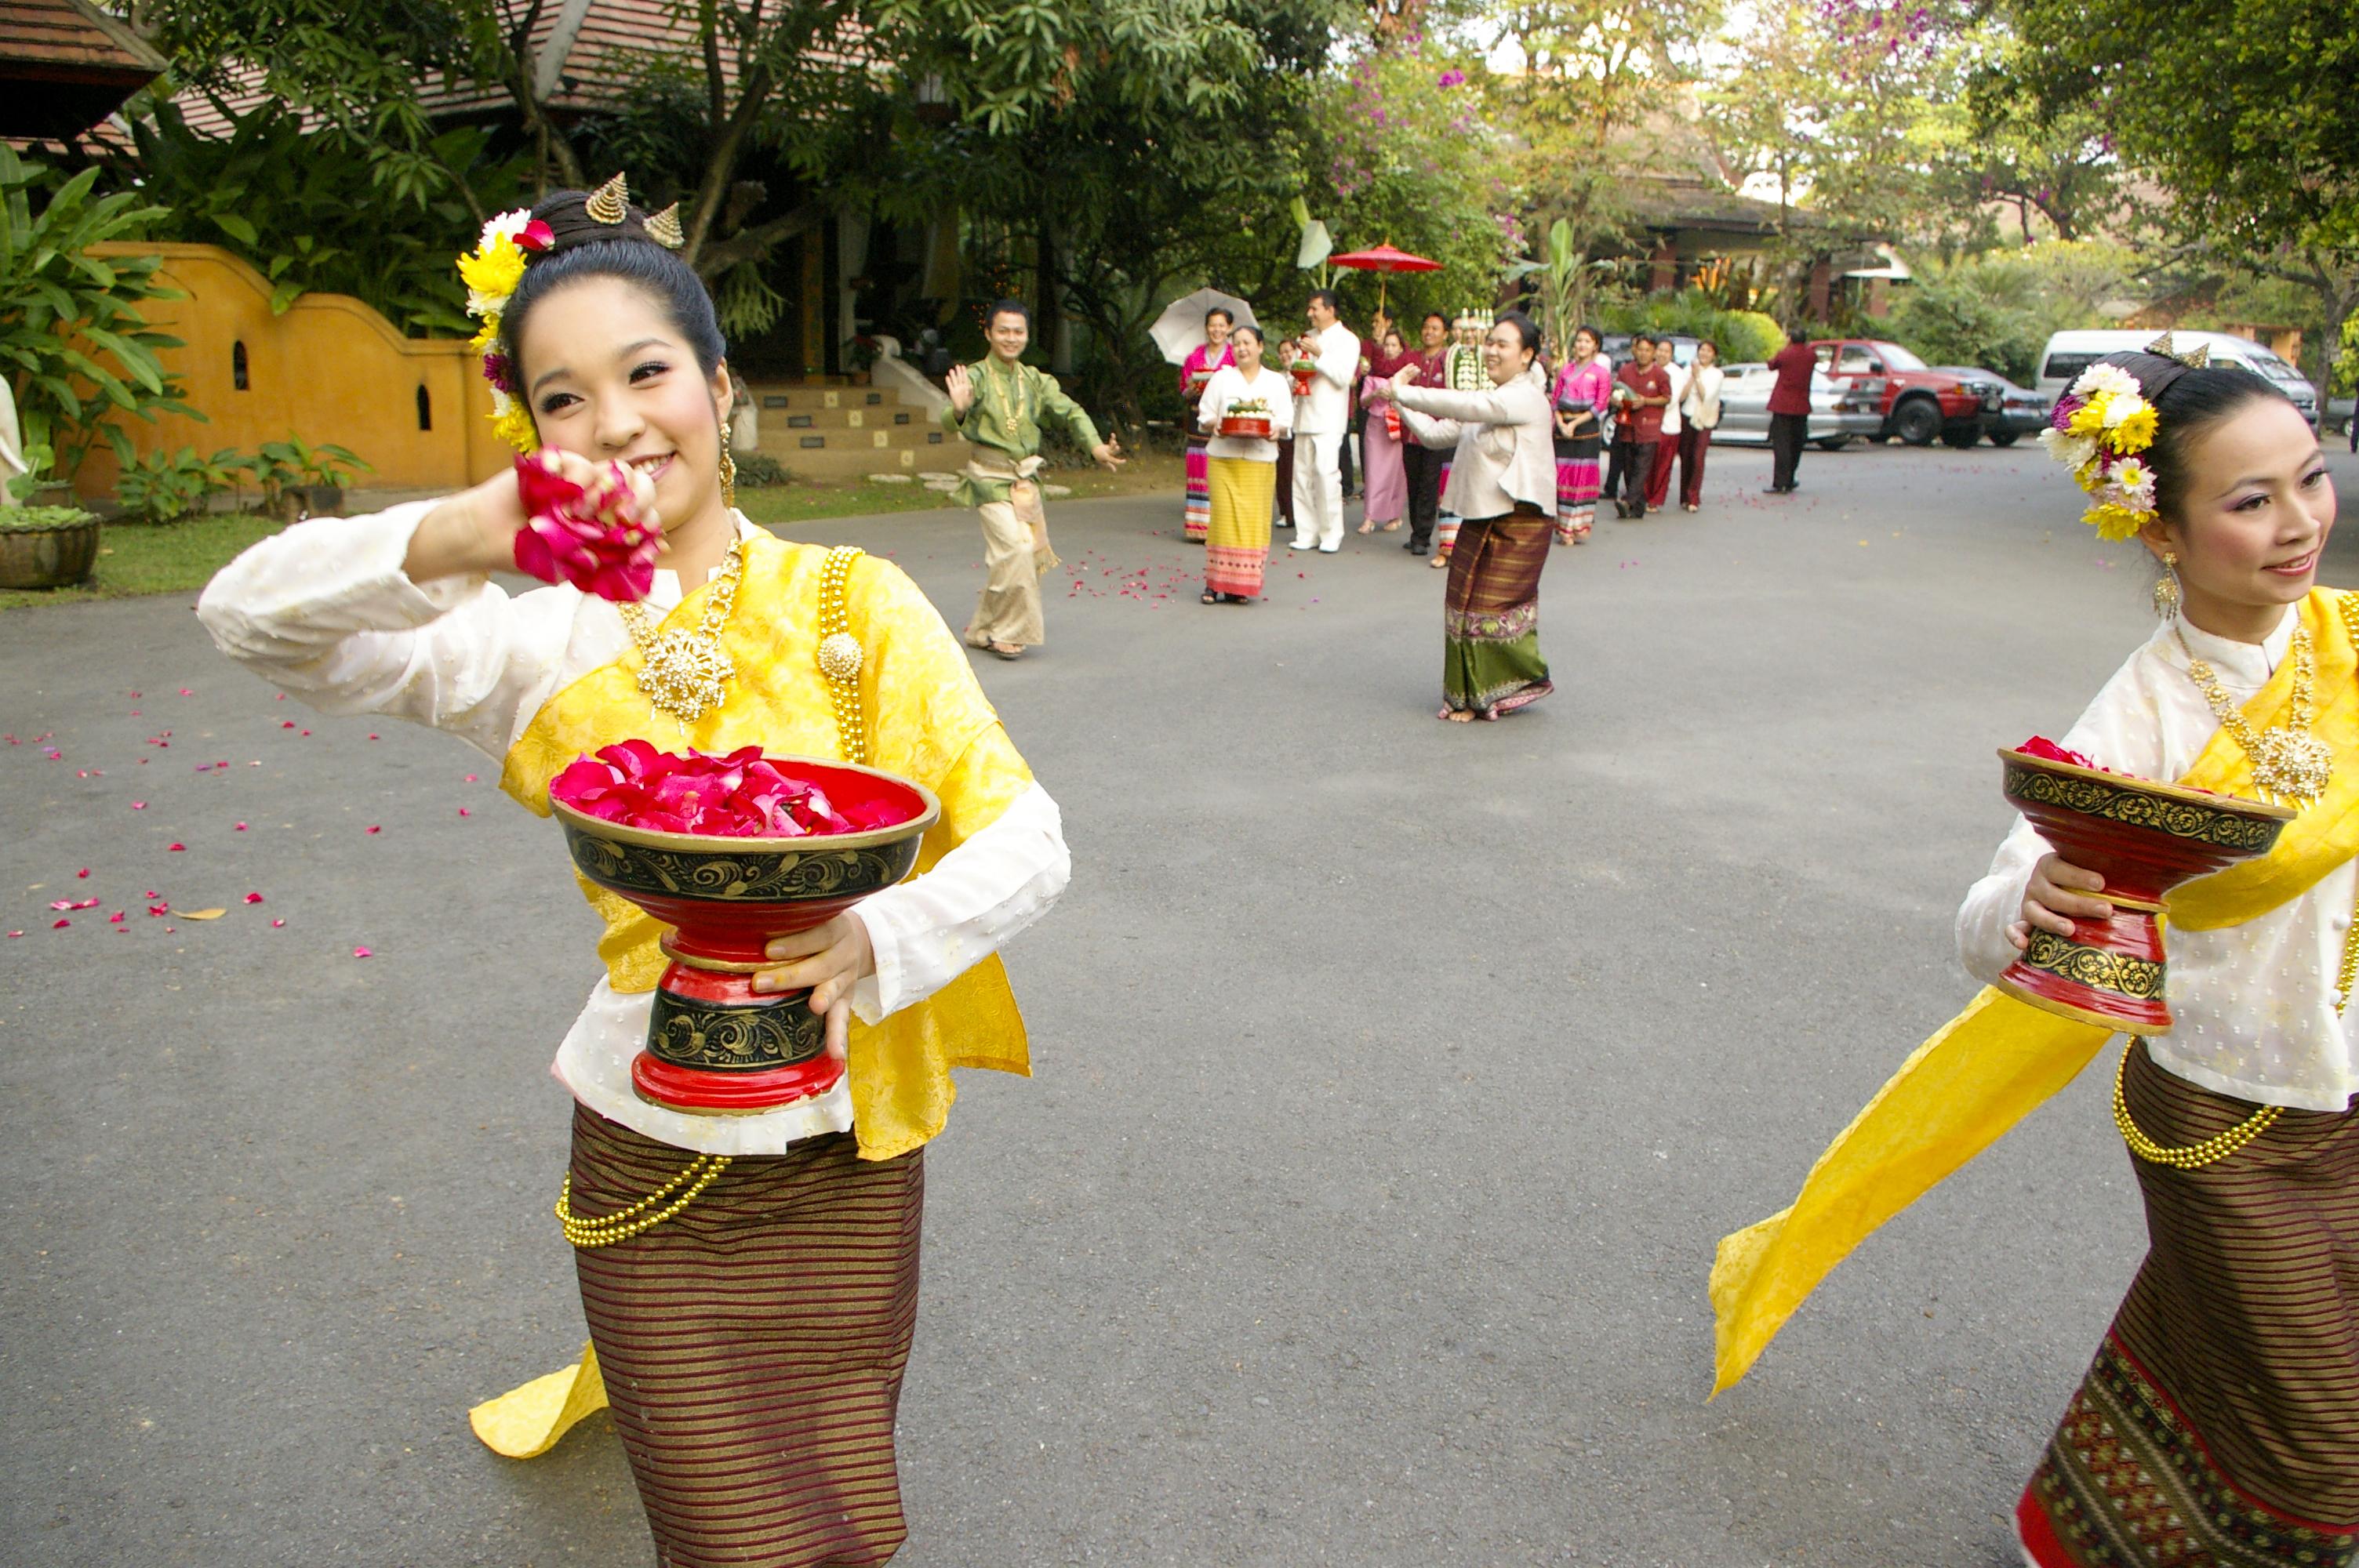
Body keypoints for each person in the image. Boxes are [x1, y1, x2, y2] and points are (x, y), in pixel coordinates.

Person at [194, 180, 1074, 1568]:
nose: (611, 421)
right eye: (561, 398)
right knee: (728, 1540)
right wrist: (460, 540)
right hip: (647, 1161)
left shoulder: (862, 604)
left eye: (644, 372)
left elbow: (1030, 837)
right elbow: (247, 620)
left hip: (849, 1148)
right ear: (530, 436)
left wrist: (880, 940)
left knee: (841, 1522)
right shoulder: (539, 643)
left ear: (718, 390)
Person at [1707, 344, 2357, 1568]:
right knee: (2319, 1432)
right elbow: (1993, 904)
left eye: (2310, 481)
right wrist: (2039, 896)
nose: (2297, 524)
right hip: (2223, 1114)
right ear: (2160, 531)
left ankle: (2081, 1528)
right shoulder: (2149, 710)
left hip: (2351, 1105)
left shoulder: (2353, 650)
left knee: (2226, 1345)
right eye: (2249, 500)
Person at [1389, 312, 1558, 721]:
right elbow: (1433, 435)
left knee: (1490, 608)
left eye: (1503, 345)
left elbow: (1471, 405)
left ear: (1527, 355)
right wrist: (1397, 399)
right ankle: (1464, 696)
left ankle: (1499, 691)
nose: (1492, 351)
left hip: (1521, 520)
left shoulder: (1524, 397)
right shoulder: (1491, 400)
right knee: (1461, 605)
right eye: (1490, 343)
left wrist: (1408, 392)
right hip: (1482, 516)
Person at [940, 299, 1124, 659]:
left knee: (1019, 557)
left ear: (1026, 335)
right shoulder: (976, 377)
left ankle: (981, 629)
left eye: (1018, 332)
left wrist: (1096, 447)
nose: (1011, 338)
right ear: (989, 334)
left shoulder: (1035, 380)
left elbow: (1070, 412)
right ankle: (1007, 631)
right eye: (1003, 331)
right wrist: (959, 409)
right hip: (989, 479)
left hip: (1025, 482)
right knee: (1017, 550)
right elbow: (950, 419)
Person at [1194, 324, 1292, 603]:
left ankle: (1241, 587)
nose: (1242, 348)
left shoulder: (1275, 382)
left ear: (1260, 346)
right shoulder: (1221, 380)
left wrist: (1276, 429)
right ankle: (1214, 583)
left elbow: (1286, 421)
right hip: (1224, 459)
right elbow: (1205, 415)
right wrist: (1217, 423)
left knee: (1252, 523)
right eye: (1236, 343)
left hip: (1260, 461)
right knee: (1223, 521)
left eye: (1248, 343)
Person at [1289, 289, 1361, 554]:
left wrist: (1319, 353)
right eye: (1309, 308)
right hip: (1304, 414)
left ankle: (1331, 533)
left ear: (1330, 310)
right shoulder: (1307, 338)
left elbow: (1343, 377)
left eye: (1315, 308)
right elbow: (1297, 369)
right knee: (1302, 475)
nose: (1310, 314)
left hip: (1329, 417)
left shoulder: (1348, 340)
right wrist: (1293, 379)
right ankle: (1306, 531)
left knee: (1326, 474)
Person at [1432, 311, 1489, 569]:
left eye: (1470, 330)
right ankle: (1447, 547)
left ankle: (1475, 551)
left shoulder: (1486, 356)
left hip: (1481, 430)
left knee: (1479, 490)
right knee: (1449, 489)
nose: (1464, 334)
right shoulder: (1451, 355)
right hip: (1455, 427)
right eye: (1459, 329)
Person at [1178, 308, 1235, 544]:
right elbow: (1183, 389)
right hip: (1197, 418)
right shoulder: (1194, 357)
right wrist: (1193, 387)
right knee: (1198, 468)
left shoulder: (1234, 356)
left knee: (1222, 470)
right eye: (1213, 325)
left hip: (1224, 420)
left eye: (1222, 325)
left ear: (1229, 328)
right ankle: (1198, 525)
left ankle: (1222, 527)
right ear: (1206, 327)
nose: (1217, 330)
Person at [1550, 325, 1611, 546]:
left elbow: (1600, 404)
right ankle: (1563, 527)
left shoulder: (1601, 374)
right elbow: (1555, 400)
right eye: (1579, 340)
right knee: (1562, 477)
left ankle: (1578, 525)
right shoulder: (1565, 370)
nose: (1582, 345)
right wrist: (1561, 423)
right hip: (1563, 431)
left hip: (1586, 431)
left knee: (1581, 479)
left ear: (1595, 345)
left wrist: (1575, 423)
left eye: (1587, 341)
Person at [1400, 312, 1450, 555]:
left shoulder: (1448, 361)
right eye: (1426, 327)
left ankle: (1422, 536)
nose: (1429, 332)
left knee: (1429, 485)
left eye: (1435, 328)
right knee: (1413, 483)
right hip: (1411, 432)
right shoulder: (1412, 360)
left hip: (1437, 434)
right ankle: (1416, 531)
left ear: (1445, 334)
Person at [1608, 334, 1670, 519]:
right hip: (1627, 426)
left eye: (1648, 350)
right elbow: (1616, 392)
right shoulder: (1626, 371)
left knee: (1642, 467)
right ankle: (1637, 507)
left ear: (1654, 353)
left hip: (1649, 427)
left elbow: (1666, 398)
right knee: (1628, 467)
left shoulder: (1660, 374)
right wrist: (1617, 401)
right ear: (1635, 350)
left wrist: (1645, 401)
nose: (1643, 354)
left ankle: (1627, 500)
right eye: (1640, 350)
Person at [1357, 326, 1410, 536]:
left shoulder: (1405, 373)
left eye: (1393, 345)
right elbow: (1363, 401)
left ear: (1401, 348)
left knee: (1397, 473)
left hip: (1397, 424)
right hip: (1376, 425)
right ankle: (1369, 516)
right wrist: (1375, 395)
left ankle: (1395, 514)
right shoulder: (1373, 374)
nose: (1389, 349)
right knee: (1373, 470)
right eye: (1386, 345)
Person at [1676, 339, 1724, 513]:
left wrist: (1697, 377)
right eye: (1702, 350)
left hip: (1704, 419)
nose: (1704, 354)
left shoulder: (1717, 374)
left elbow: (1707, 397)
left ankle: (1694, 497)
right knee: (1686, 456)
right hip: (1687, 415)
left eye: (1708, 351)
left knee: (1698, 457)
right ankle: (1684, 496)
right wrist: (1691, 377)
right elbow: (1681, 397)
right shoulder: (1687, 370)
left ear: (1714, 355)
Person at [1764, 335, 1816, 493]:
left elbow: (1772, 365)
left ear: (1791, 339)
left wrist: (1784, 348)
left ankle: (1781, 482)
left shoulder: (1786, 354)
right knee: (1796, 442)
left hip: (1782, 404)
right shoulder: (1811, 355)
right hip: (1802, 404)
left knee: (1781, 444)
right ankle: (1791, 477)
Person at [1643, 336, 1688, 514]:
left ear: (1672, 354)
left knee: (1662, 465)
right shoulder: (1648, 369)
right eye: (1659, 350)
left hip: (1667, 425)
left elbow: (1672, 400)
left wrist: (1648, 406)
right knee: (1647, 463)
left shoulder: (1676, 373)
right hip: (1647, 425)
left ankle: (1655, 499)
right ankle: (1643, 495)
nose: (1662, 354)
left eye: (1666, 351)